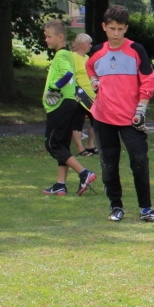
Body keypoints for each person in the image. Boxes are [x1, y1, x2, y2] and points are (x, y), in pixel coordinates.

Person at [88, 4, 154, 223]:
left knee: (139, 160)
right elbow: (89, 68)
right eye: (112, 28)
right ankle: (116, 207)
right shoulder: (96, 52)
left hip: (130, 118)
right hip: (103, 117)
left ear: (126, 28)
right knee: (108, 163)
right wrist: (94, 81)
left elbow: (149, 82)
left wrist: (141, 109)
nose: (116, 34)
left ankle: (146, 209)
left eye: (120, 29)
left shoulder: (136, 50)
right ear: (104, 27)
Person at [40, 19, 96, 197]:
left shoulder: (62, 55)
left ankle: (84, 173)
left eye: (49, 37)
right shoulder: (67, 55)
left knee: (52, 144)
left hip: (60, 106)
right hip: (68, 103)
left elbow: (68, 74)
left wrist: (55, 88)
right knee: (62, 144)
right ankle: (60, 184)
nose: (46, 40)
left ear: (60, 37)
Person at [70, 32, 97, 157]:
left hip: (91, 94)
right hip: (79, 94)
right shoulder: (72, 57)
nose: (91, 46)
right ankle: (80, 148)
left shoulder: (87, 58)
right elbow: (70, 75)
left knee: (95, 120)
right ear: (81, 44)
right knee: (78, 121)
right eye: (88, 43)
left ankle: (90, 144)